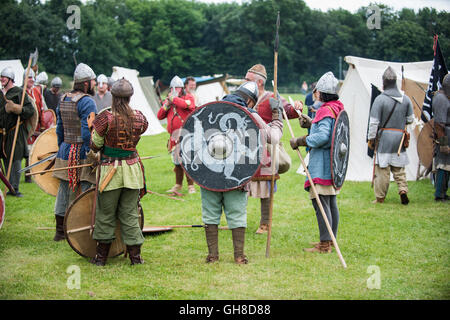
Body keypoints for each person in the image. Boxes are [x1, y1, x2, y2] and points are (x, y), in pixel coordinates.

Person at [201, 81, 283, 264]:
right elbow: (274, 137)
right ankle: (239, 256)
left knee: (210, 213)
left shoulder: (212, 109)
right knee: (236, 213)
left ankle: (213, 256)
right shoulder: (250, 114)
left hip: (209, 172)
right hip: (236, 172)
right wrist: (277, 117)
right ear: (250, 101)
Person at [89, 78, 148, 266]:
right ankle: (135, 258)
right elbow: (141, 132)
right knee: (130, 214)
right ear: (130, 97)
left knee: (106, 214)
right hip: (132, 171)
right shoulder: (139, 117)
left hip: (110, 173)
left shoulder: (105, 117)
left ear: (113, 97)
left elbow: (95, 144)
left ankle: (101, 258)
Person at [244, 63, 303, 234]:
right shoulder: (245, 95)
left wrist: (295, 106)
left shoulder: (271, 97)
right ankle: (238, 220)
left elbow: (286, 111)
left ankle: (265, 223)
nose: (244, 81)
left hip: (266, 151)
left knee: (265, 189)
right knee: (241, 185)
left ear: (259, 82)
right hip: (246, 150)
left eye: (248, 79)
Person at [289, 71, 343, 253]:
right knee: (329, 200)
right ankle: (330, 240)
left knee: (321, 202)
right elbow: (325, 129)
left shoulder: (326, 110)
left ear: (320, 93)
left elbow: (323, 136)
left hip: (322, 162)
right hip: (331, 162)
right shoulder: (336, 107)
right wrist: (312, 123)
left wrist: (301, 140)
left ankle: (325, 243)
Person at [52, 63, 98, 241]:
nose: (94, 83)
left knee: (64, 190)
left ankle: (60, 232)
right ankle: (81, 228)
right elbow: (88, 131)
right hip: (80, 151)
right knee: (86, 188)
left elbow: (59, 129)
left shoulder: (63, 99)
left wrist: (60, 148)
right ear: (86, 83)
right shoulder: (87, 101)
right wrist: (91, 153)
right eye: (93, 81)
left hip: (65, 149)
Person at [367, 66, 414, 205]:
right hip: (399, 138)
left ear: (384, 82)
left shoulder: (380, 100)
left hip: (384, 138)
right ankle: (403, 189)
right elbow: (410, 119)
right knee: (399, 169)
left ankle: (380, 198)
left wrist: (371, 138)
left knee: (382, 170)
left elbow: (374, 123)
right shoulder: (405, 99)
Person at [157, 75, 196, 194]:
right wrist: (167, 104)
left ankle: (191, 186)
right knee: (177, 162)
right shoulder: (169, 100)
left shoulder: (188, 97)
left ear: (182, 88)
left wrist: (174, 99)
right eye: (173, 88)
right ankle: (178, 184)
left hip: (186, 134)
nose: (175, 90)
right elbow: (160, 116)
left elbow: (188, 105)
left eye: (177, 88)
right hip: (174, 137)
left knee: (187, 160)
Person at [0, 66, 35, 197]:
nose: (2, 79)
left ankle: (14, 188)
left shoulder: (19, 92)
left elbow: (30, 110)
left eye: (4, 77)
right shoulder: (0, 93)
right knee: (5, 158)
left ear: (11, 79)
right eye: (1, 77)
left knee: (15, 159)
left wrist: (17, 109)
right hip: (2, 132)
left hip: (16, 131)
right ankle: (9, 185)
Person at [432, 73, 450, 201]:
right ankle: (439, 194)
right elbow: (439, 124)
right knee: (443, 165)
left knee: (448, 165)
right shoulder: (441, 99)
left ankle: (443, 193)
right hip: (444, 134)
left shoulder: (445, 97)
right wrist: (444, 143)